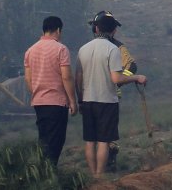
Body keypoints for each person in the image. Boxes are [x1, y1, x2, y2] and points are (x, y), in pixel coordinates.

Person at [77, 11, 147, 177]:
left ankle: (92, 175)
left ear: (96, 28)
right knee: (104, 141)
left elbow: (77, 78)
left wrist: (79, 99)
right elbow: (117, 77)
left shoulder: (83, 49)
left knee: (89, 141)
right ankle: (100, 176)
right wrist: (135, 78)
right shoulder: (113, 49)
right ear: (113, 30)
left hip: (87, 100)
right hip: (106, 100)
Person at [24, 16, 78, 168]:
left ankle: (43, 172)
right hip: (57, 102)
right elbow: (66, 77)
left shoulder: (30, 51)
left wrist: (36, 93)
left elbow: (28, 80)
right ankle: (49, 172)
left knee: (44, 139)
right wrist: (72, 100)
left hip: (39, 103)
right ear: (59, 30)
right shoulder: (61, 49)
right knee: (56, 140)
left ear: (44, 30)